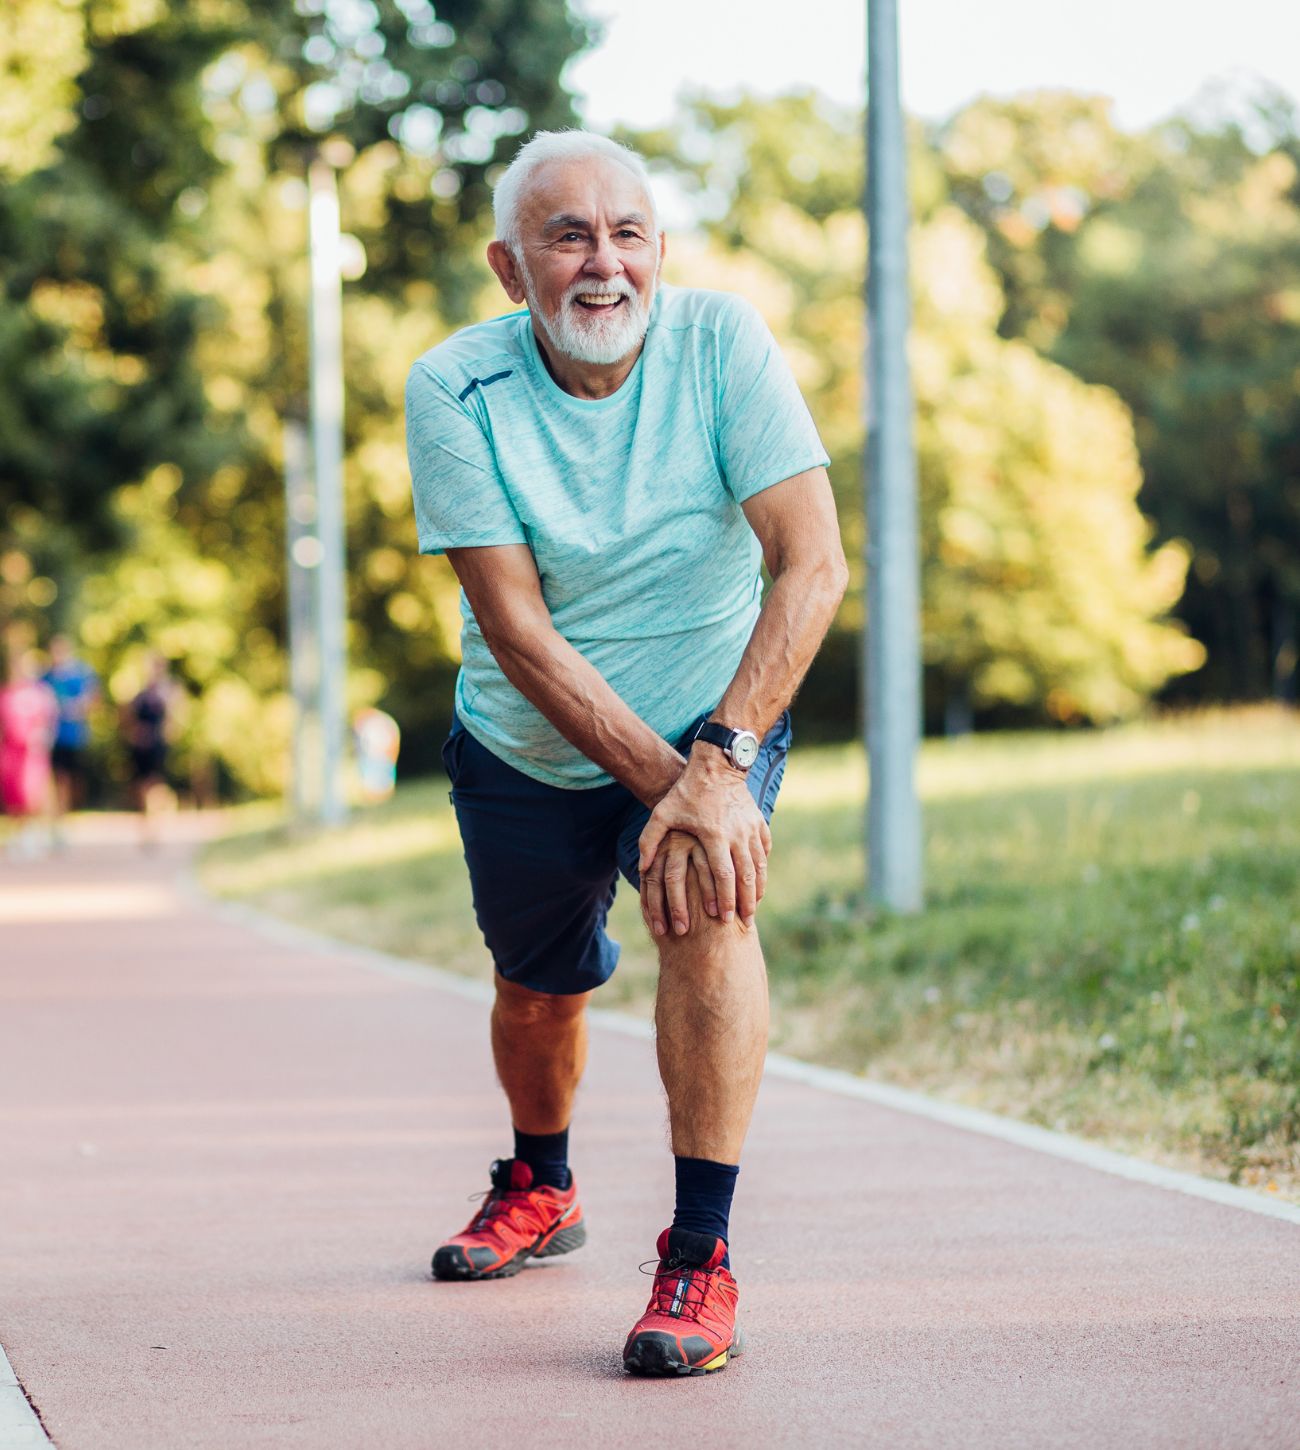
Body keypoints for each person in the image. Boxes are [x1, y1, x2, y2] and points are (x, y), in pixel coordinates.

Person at [405, 130, 848, 1378]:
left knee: (709, 915)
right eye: (567, 237)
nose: (605, 265)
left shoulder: (722, 346)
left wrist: (719, 767)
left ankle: (698, 1257)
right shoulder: (453, 387)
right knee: (538, 987)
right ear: (510, 269)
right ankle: (540, 1183)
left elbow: (811, 564)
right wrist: (680, 785)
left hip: (717, 710)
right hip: (526, 741)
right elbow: (517, 627)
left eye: (629, 233)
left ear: (659, 249)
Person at [0, 650, 59, 859]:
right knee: (13, 795)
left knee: (33, 794)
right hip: (11, 753)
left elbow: (49, 723)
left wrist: (43, 738)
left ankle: (34, 835)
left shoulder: (41, 695)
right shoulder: (6, 695)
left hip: (32, 755)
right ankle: (17, 837)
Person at [43, 634, 100, 841]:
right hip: (53, 737)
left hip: (75, 737)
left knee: (73, 781)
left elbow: (94, 698)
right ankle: (58, 822)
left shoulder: (81, 674)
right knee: (58, 780)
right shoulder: (46, 677)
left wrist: (79, 707)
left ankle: (68, 815)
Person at [121, 653, 175, 847]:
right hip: (141, 747)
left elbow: (174, 719)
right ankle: (145, 826)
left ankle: (156, 827)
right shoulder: (140, 694)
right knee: (140, 787)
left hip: (158, 745)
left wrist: (164, 736)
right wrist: (135, 735)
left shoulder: (168, 692)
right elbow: (128, 718)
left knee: (156, 785)